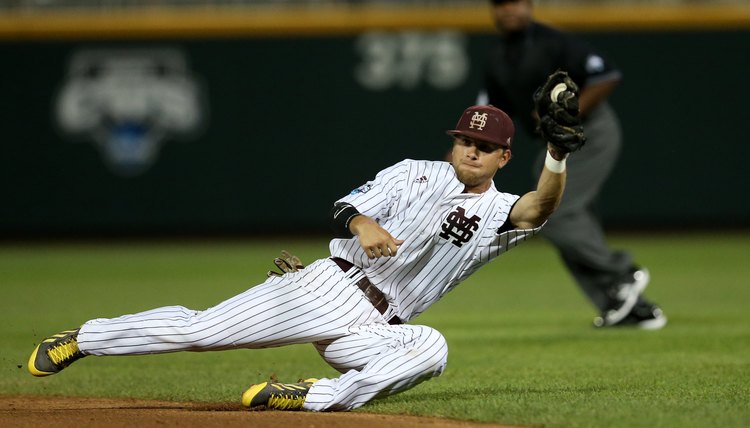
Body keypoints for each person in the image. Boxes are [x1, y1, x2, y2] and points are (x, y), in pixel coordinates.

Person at [27, 81, 580, 411]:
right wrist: (362, 224)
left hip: (378, 330)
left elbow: (541, 207)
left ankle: (307, 397)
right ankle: (87, 337)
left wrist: (556, 154)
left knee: (432, 349)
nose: (473, 151)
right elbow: (348, 204)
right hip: (330, 286)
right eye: (466, 140)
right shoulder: (414, 172)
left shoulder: (498, 211)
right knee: (201, 331)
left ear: (504, 158)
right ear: (454, 143)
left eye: (486, 146)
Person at [478, 0, 666, 329]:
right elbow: (493, 112)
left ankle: (622, 273)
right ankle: (628, 306)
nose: (510, 10)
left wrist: (568, 113)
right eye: (501, 4)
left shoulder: (555, 41)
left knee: (555, 211)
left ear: (529, 5)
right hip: (554, 142)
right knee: (568, 219)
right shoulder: (497, 58)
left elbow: (607, 75)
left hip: (589, 131)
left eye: (517, 2)